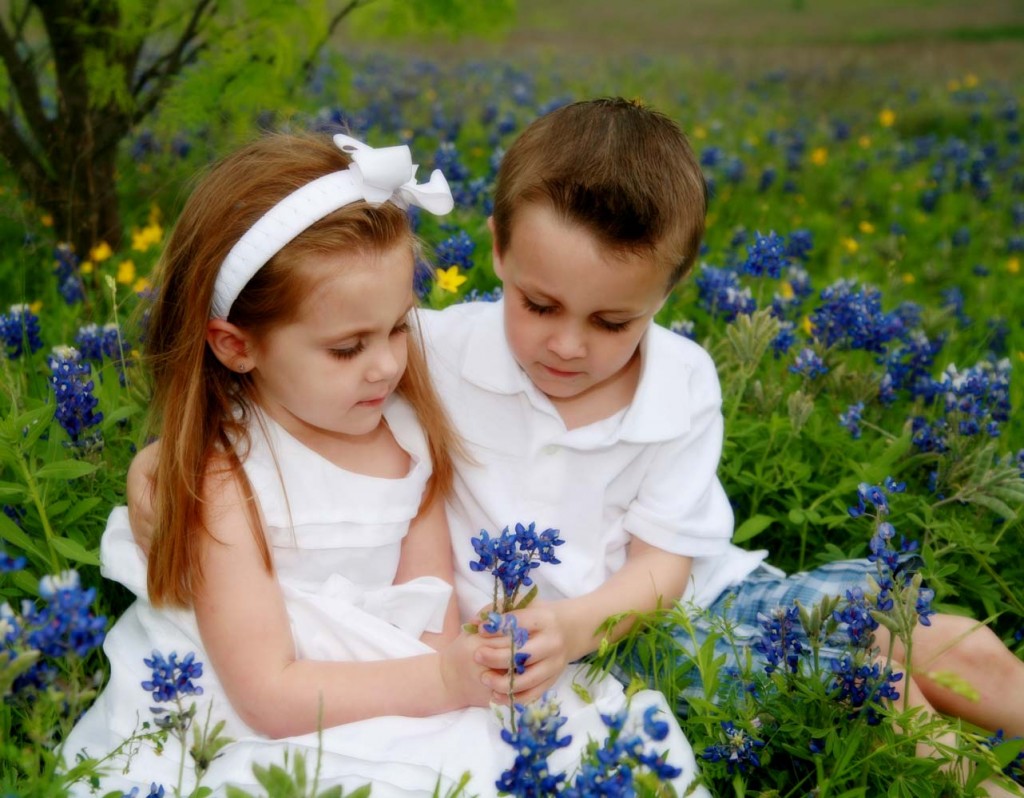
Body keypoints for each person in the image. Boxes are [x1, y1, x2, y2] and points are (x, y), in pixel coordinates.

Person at [62, 130, 705, 797]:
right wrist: (441, 681)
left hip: (395, 686)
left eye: (400, 326)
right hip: (249, 712)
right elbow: (268, 695)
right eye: (348, 349)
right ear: (235, 345)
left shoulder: (408, 430)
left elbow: (432, 624)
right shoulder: (226, 483)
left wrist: (463, 668)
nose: (390, 364)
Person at [411, 97, 1024, 786]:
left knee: (959, 646)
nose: (567, 345)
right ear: (495, 247)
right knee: (872, 688)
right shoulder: (428, 351)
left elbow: (664, 568)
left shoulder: (681, 378)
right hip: (634, 649)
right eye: (538, 304)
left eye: (613, 322)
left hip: (690, 597)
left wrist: (576, 622)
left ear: (668, 292)